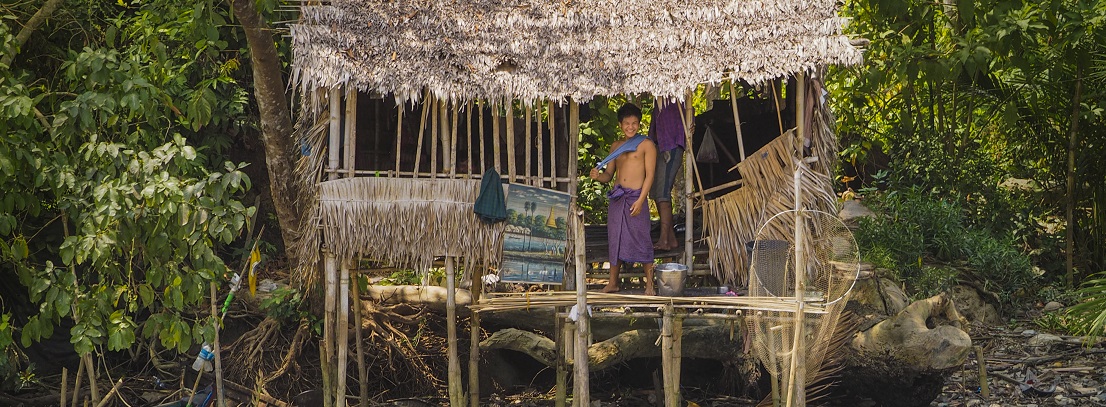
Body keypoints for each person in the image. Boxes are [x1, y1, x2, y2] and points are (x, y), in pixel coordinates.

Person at [590, 103, 658, 295]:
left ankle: (649, 285)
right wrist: (597, 176)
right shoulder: (616, 147)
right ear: (620, 124)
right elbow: (608, 175)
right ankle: (613, 282)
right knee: (615, 238)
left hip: (636, 198)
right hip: (618, 198)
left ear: (639, 124)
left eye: (634, 123)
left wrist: (641, 200)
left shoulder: (646, 144)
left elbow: (650, 176)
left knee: (642, 238)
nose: (631, 127)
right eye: (627, 123)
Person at [649, 98, 686, 251]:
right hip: (659, 147)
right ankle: (670, 238)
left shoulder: (677, 96)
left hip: (671, 147)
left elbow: (688, 117)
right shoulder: (659, 97)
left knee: (663, 193)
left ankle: (664, 239)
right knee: (658, 193)